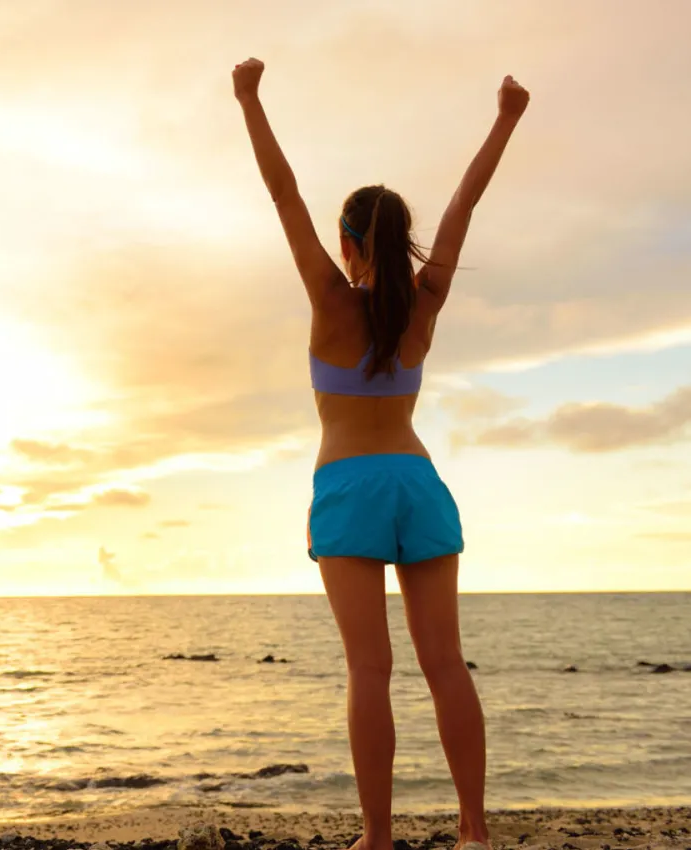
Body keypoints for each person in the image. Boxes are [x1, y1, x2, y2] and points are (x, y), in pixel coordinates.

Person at [230, 57, 529, 850]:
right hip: (418, 481)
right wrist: (506, 118)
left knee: (370, 670)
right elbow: (465, 204)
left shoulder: (330, 301)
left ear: (348, 242)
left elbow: (283, 195)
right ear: (398, 243)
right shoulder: (424, 305)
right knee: (446, 665)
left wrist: (249, 99)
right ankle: (474, 832)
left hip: (349, 486)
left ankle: (378, 839)